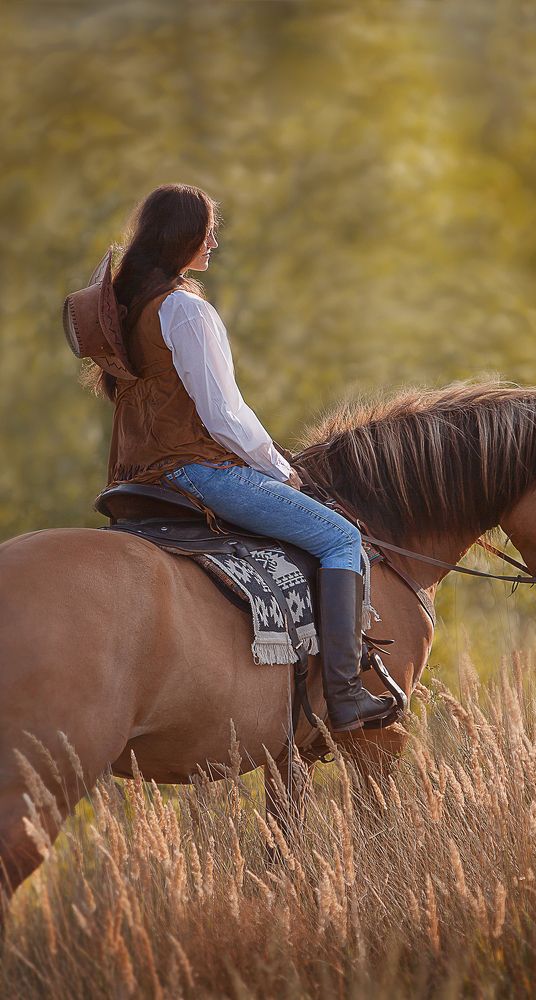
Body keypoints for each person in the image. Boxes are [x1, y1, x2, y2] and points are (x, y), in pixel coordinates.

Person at [78, 183, 395, 733]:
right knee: (341, 538)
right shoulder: (185, 309)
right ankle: (345, 696)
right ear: (182, 238)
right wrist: (282, 471)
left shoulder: (129, 310)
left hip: (139, 479)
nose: (214, 243)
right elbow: (223, 415)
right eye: (207, 233)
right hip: (198, 473)